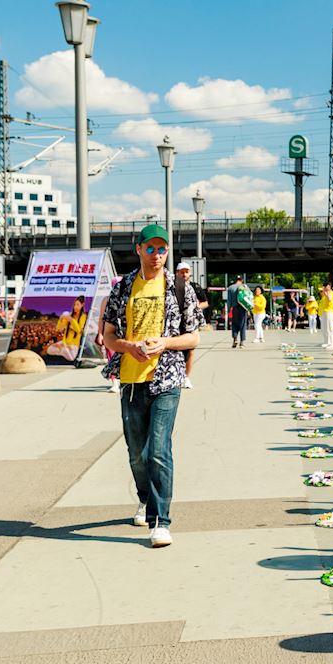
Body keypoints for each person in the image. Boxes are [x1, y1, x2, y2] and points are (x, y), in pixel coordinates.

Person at [101, 224, 201, 548]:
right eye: (151, 249)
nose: (157, 255)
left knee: (158, 449)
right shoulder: (123, 287)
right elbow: (108, 336)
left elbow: (194, 337)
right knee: (136, 454)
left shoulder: (179, 287)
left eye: (162, 249)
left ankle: (162, 521)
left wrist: (166, 343)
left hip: (167, 376)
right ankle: (146, 498)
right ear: (139, 250)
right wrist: (129, 347)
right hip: (131, 379)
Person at [176, 261, 207, 389]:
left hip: (190, 323)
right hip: (175, 323)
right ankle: (176, 376)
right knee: (175, 350)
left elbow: (205, 302)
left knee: (190, 351)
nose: (184, 274)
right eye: (182, 272)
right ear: (177, 273)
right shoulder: (170, 286)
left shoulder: (195, 286)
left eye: (186, 272)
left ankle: (187, 378)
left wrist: (193, 308)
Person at [53, 295, 88, 361]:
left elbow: (78, 330)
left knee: (71, 358)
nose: (75, 307)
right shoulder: (69, 315)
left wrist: (71, 320)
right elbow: (59, 329)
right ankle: (63, 349)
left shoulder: (83, 316)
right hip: (64, 343)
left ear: (82, 304)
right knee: (49, 350)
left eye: (77, 304)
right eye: (74, 304)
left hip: (74, 345)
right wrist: (61, 320)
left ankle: (63, 350)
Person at [226, 278, 251, 348]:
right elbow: (248, 298)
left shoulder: (230, 288)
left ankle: (235, 339)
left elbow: (229, 301)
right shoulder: (245, 287)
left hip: (234, 308)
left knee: (234, 324)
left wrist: (228, 310)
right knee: (243, 325)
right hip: (243, 308)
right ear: (241, 281)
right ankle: (242, 342)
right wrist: (248, 309)